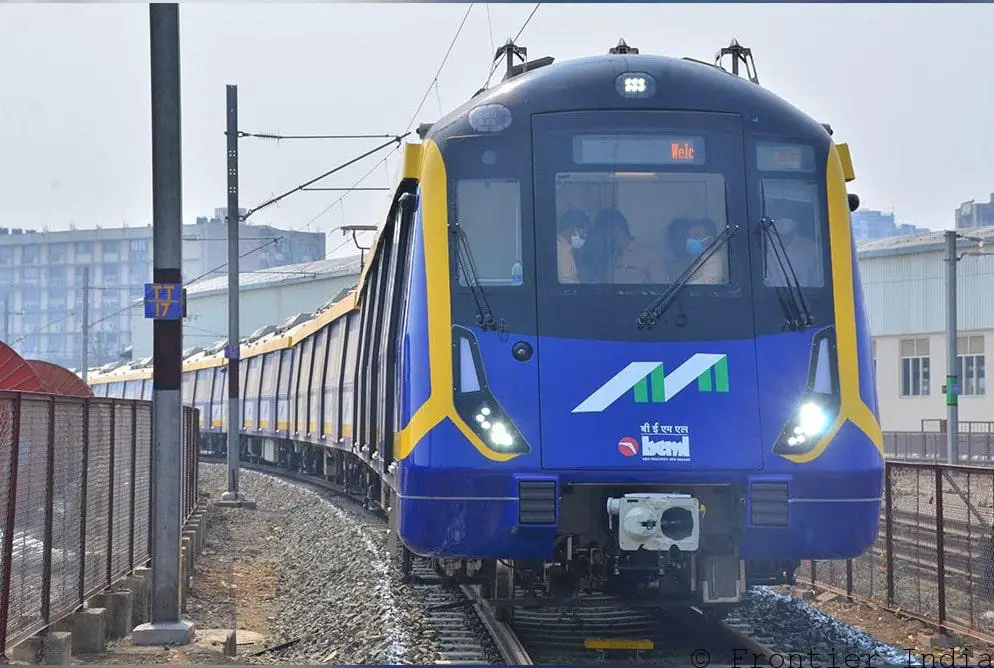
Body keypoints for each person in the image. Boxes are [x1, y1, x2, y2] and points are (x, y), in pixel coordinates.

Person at [587, 208, 665, 284]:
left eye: (602, 235)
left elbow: (662, 289)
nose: (601, 240)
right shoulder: (607, 259)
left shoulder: (649, 254)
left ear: (614, 229)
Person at [668, 217, 726, 284]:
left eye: (697, 235)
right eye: (689, 236)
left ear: (710, 239)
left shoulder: (714, 257)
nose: (691, 239)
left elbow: (711, 281)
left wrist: (684, 286)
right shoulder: (697, 255)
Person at [766, 217, 820, 287]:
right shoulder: (767, 247)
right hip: (771, 293)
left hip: (805, 294)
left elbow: (817, 278)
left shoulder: (811, 247)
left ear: (794, 231)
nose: (784, 238)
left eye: (787, 235)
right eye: (781, 235)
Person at [556, 209, 591, 284]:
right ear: (573, 230)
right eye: (583, 233)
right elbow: (569, 287)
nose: (585, 237)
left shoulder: (564, 249)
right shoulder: (562, 252)